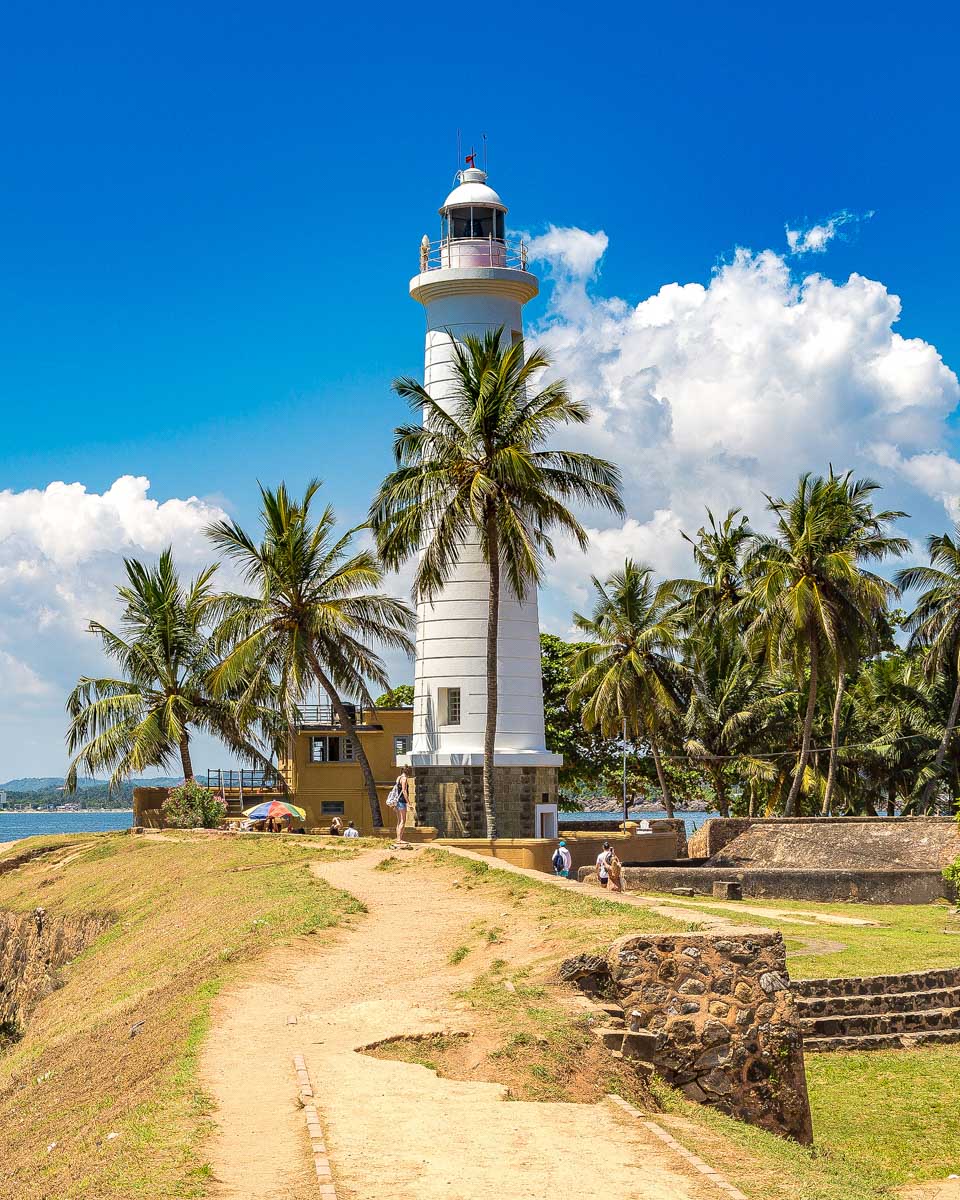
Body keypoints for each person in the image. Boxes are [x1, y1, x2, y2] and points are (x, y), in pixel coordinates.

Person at [392, 766, 410, 844]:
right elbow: (404, 790)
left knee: (399, 821)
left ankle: (398, 838)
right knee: (403, 820)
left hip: (397, 801)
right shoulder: (404, 779)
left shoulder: (398, 778)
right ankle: (399, 839)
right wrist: (408, 802)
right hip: (402, 801)